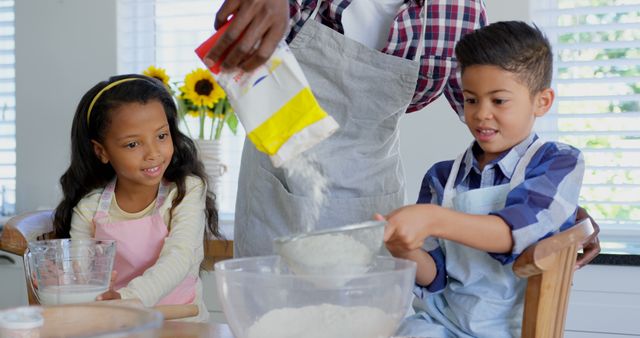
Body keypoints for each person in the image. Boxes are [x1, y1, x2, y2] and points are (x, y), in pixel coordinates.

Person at [206, 0, 489, 257]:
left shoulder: (459, 11)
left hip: (371, 202)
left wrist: (525, 196)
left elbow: (496, 113)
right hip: (277, 194)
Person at [380, 21, 585, 337]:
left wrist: (434, 219)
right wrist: (405, 249)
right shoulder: (442, 177)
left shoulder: (557, 163)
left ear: (541, 101)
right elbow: (433, 277)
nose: (480, 114)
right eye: (471, 99)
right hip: (444, 324)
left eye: (498, 101)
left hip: (510, 329)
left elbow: (516, 233)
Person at [52, 74, 220, 323]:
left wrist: (128, 299)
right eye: (133, 144)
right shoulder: (88, 211)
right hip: (119, 327)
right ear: (102, 151)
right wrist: (61, 284)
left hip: (183, 326)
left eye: (161, 136)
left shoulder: (186, 191)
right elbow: (81, 280)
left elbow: (180, 257)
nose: (153, 153)